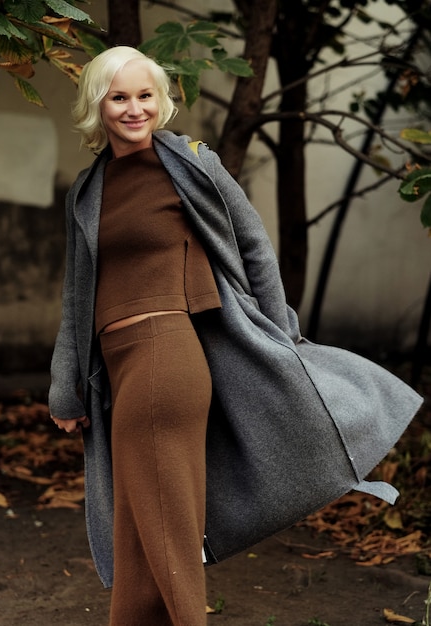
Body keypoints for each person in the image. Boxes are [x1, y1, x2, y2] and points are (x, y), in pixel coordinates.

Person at [48, 46, 422, 626]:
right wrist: (65, 388)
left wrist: (282, 333)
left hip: (167, 356)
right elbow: (78, 296)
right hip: (120, 370)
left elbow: (253, 248)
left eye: (145, 95)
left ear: (162, 101)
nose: (133, 108)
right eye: (118, 97)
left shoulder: (193, 165)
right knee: (138, 524)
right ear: (97, 105)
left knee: (166, 527)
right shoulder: (87, 191)